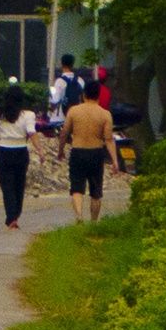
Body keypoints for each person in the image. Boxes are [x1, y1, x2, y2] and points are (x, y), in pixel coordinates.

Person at [61, 77, 116, 222]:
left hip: (78, 151)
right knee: (96, 192)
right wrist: (115, 161)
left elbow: (64, 132)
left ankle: (79, 216)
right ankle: (93, 222)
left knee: (77, 188)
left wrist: (60, 150)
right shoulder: (105, 114)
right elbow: (109, 139)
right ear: (98, 95)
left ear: (84, 94)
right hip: (96, 153)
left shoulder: (73, 111)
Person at [0, 88, 40, 225]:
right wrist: (40, 150)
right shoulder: (28, 115)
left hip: (5, 151)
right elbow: (31, 132)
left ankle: (11, 216)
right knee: (19, 184)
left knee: (7, 185)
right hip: (21, 152)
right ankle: (16, 214)